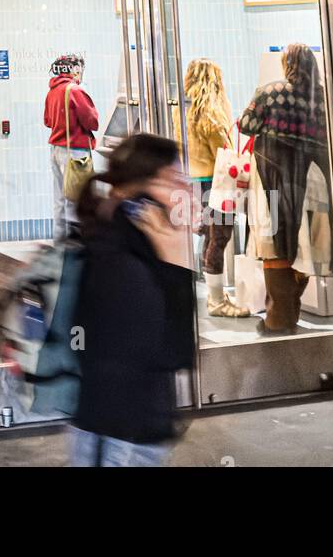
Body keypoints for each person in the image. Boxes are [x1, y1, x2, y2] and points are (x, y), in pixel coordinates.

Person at [68, 133, 196, 467]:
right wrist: (177, 263)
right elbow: (172, 350)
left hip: (112, 424)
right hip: (124, 433)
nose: (185, 188)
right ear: (145, 192)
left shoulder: (109, 235)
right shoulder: (125, 262)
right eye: (175, 179)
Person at [239, 43, 330, 335]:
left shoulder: (271, 91)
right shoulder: (322, 96)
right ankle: (289, 311)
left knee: (275, 243)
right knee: (304, 246)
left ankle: (279, 319)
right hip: (313, 180)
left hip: (273, 179)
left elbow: (246, 124)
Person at [184, 58, 248, 319]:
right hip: (216, 182)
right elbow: (224, 151)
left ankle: (215, 293)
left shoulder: (182, 109)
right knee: (219, 238)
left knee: (209, 237)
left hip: (194, 181)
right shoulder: (212, 112)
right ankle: (217, 300)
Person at [43, 53, 98, 239]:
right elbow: (93, 122)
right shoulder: (75, 91)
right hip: (75, 153)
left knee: (60, 201)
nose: (81, 74)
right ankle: (76, 247)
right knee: (76, 202)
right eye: (80, 69)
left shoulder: (52, 91)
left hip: (56, 150)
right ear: (74, 69)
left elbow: (47, 121)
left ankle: (60, 247)